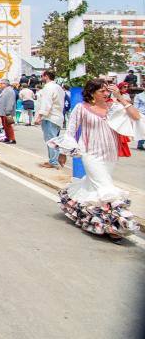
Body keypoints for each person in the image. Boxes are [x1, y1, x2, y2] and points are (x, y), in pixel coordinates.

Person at [52, 79, 140, 242]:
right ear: (92, 92)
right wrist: (63, 152)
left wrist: (120, 97)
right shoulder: (81, 108)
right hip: (90, 154)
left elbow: (135, 116)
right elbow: (71, 132)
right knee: (105, 186)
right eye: (102, 91)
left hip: (110, 154)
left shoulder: (114, 106)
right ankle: (116, 225)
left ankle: (90, 217)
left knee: (93, 186)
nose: (106, 94)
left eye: (107, 90)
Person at [34, 69, 64, 169]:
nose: (41, 78)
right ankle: (54, 159)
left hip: (50, 117)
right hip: (58, 116)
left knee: (51, 140)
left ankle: (53, 161)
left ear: (46, 76)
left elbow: (46, 104)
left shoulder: (48, 87)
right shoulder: (58, 87)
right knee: (54, 139)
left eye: (42, 76)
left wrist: (39, 116)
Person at [0, 78, 17, 144]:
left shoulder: (10, 91)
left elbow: (10, 102)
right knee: (4, 125)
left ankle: (12, 138)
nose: (1, 85)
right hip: (3, 111)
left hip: (7, 111)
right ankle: (7, 137)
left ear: (5, 84)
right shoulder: (5, 90)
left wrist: (8, 110)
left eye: (2, 83)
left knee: (8, 125)